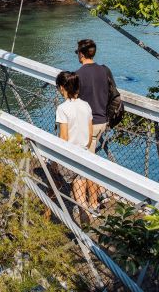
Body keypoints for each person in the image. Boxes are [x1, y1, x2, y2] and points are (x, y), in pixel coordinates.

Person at [75, 39, 116, 209]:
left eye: (77, 52)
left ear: (82, 54)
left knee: (84, 166)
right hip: (102, 122)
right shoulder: (104, 70)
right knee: (91, 159)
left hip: (87, 125)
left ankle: (89, 205)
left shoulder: (77, 75)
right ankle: (97, 197)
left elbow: (74, 101)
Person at [55, 71, 93, 221]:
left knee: (52, 187)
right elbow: (90, 136)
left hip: (67, 158)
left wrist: (55, 161)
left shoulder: (62, 108)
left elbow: (63, 137)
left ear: (62, 88)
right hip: (82, 155)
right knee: (81, 199)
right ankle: (86, 227)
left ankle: (46, 219)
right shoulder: (86, 106)